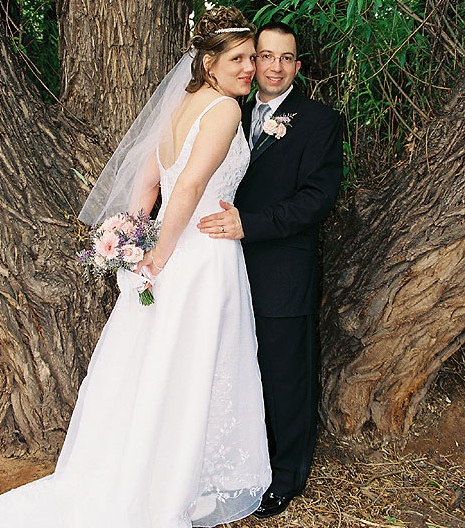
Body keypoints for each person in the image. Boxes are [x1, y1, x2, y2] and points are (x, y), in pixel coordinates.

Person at [0, 7, 271, 527]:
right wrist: (155, 255)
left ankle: (152, 471)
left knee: (157, 367)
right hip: (199, 256)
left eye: (252, 57)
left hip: (171, 251)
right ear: (209, 62)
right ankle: (171, 485)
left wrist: (135, 242)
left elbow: (147, 187)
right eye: (238, 57)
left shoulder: (181, 105)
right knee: (191, 367)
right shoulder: (225, 110)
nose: (249, 67)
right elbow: (184, 188)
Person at [198, 21, 343, 518]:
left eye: (287, 58)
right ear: (252, 61)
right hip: (223, 269)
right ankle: (243, 464)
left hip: (282, 269)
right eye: (265, 56)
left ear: (298, 66)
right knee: (237, 370)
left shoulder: (320, 121)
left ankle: (286, 476)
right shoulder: (228, 113)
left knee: (285, 376)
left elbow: (316, 201)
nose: (275, 66)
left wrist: (249, 224)